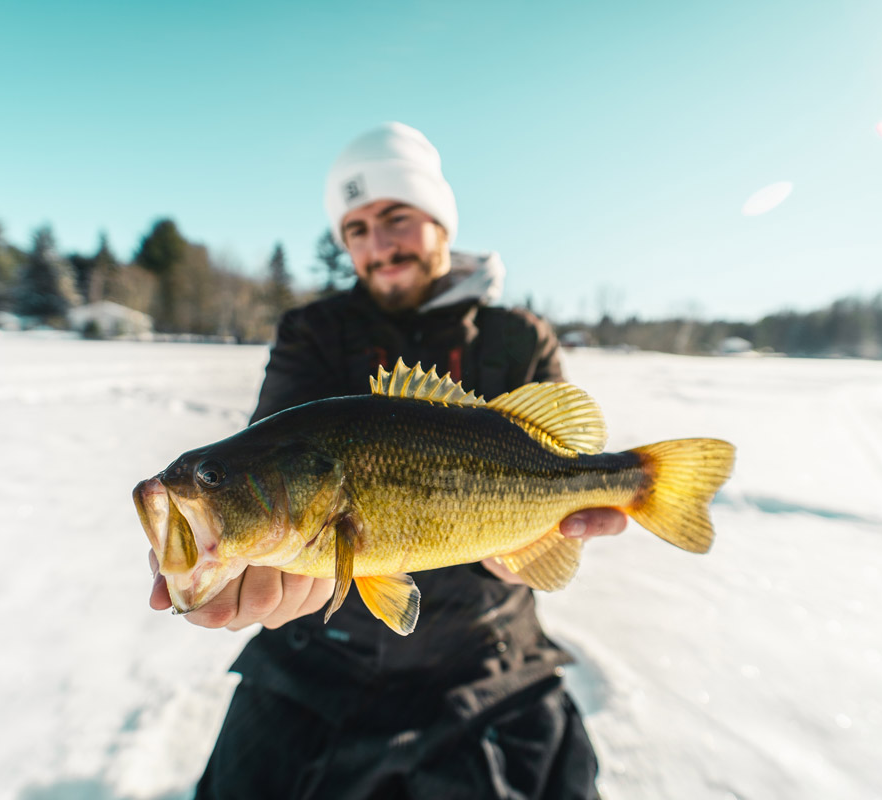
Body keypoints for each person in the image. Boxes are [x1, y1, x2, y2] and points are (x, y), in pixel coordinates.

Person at [149, 122, 629, 799]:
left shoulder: (517, 338)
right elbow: (269, 449)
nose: (378, 245)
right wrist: (224, 536)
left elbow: (559, 454)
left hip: (487, 657)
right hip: (319, 656)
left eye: (395, 218)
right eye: (357, 230)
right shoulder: (313, 333)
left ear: (438, 220)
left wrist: (545, 529)